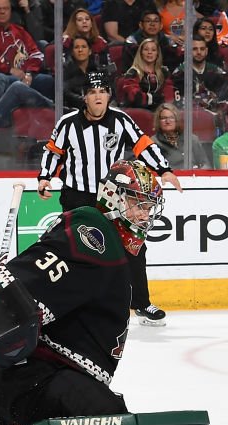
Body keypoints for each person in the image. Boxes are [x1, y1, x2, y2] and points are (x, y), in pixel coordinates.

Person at [0, 160, 166, 425]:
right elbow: (28, 288)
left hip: (43, 376)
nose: (144, 215)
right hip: (39, 376)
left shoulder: (109, 241)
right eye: (137, 203)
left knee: (109, 417)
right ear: (113, 196)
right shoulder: (93, 230)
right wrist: (1, 306)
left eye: (148, 206)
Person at [37, 72, 182, 327]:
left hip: (112, 195)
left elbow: (143, 145)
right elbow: (54, 151)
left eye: (102, 91)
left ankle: (141, 303)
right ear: (85, 96)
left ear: (109, 96)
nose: (97, 96)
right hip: (76, 195)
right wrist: (45, 177)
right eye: (92, 92)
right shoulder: (68, 122)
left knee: (134, 245)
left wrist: (164, 170)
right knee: (76, 250)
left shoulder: (121, 120)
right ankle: (72, 304)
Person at [0, 0, 52, 99]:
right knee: (15, 83)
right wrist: (9, 70)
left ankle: (55, 110)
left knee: (48, 80)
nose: (2, 12)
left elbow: (36, 54)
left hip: (26, 75)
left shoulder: (19, 30)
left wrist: (29, 73)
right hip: (0, 77)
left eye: (5, 9)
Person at [0, 40, 53, 127]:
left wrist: (25, 79)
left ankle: (48, 110)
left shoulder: (1, 77)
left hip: (4, 116)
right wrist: (8, 101)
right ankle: (51, 105)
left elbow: (20, 88)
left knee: (20, 85)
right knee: (17, 87)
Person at [172, 36, 228, 114]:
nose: (199, 52)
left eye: (202, 49)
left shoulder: (217, 72)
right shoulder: (179, 73)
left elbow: (225, 101)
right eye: (194, 49)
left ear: (206, 51)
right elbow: (178, 105)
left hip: (215, 117)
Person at [117, 38, 175, 110]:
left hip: (159, 110)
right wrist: (156, 99)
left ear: (157, 54)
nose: (149, 52)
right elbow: (135, 98)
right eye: (146, 49)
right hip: (137, 111)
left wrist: (163, 104)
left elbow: (169, 94)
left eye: (153, 50)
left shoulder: (164, 71)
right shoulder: (132, 73)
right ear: (141, 52)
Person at [121, 7, 183, 72]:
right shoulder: (132, 42)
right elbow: (128, 68)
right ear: (141, 25)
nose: (152, 24)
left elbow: (173, 67)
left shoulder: (168, 42)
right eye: (148, 21)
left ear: (161, 26)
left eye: (156, 21)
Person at [153, 102, 211, 168]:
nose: (168, 121)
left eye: (171, 117)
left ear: (177, 120)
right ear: (158, 121)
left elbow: (205, 165)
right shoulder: (152, 143)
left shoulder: (191, 139)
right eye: (164, 118)